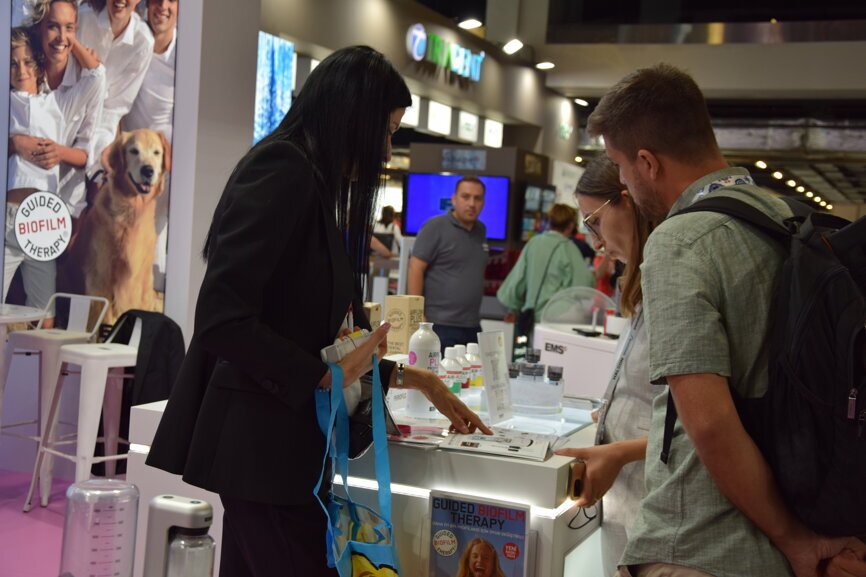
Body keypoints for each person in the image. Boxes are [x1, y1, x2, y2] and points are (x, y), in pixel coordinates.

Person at [144, 46, 492, 577]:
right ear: (353, 117)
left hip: (276, 457)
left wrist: (415, 379)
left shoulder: (308, 180)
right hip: (262, 453)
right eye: (387, 130)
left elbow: (316, 336)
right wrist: (321, 377)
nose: (386, 151)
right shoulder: (284, 169)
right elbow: (222, 317)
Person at [587, 63, 866, 577]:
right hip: (776, 534)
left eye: (620, 166)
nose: (623, 180)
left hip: (698, 543)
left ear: (647, 162)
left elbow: (710, 423)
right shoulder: (783, 219)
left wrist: (798, 541)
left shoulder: (679, 240)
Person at [554, 157, 655, 577]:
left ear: (626, 200)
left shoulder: (676, 282)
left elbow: (702, 427)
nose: (594, 242)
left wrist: (620, 451)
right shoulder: (638, 279)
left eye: (594, 222)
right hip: (627, 507)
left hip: (658, 507)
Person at [5, 25, 103, 322]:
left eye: (27, 61)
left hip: (42, 223)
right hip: (6, 220)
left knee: (44, 316)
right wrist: (13, 143)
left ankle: (42, 368)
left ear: (38, 65)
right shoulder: (4, 103)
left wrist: (67, 40)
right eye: (12, 63)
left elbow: (97, 77)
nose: (20, 70)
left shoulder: (58, 103)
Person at [13, 0, 105, 220]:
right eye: (53, 26)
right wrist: (15, 143)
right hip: (19, 198)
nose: (61, 36)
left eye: (69, 28)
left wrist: (59, 152)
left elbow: (86, 152)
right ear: (39, 29)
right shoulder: (23, 74)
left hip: (67, 201)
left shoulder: (83, 85)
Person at [120, 0, 178, 291]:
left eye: (172, 0)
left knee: (157, 245)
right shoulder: (134, 39)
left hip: (164, 168)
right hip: (126, 166)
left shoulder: (186, 53)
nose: (163, 7)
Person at [76, 0, 153, 182]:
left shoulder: (143, 41)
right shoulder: (82, 18)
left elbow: (114, 108)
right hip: (65, 117)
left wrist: (101, 152)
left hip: (101, 129)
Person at [408, 176, 488, 350]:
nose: (472, 203)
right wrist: (418, 315)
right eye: (465, 197)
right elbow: (415, 267)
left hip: (472, 324)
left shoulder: (481, 230)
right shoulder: (435, 226)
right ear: (454, 199)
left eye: (478, 198)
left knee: (472, 377)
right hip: (439, 325)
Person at [496, 203, 593, 341]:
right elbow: (585, 285)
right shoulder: (569, 249)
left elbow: (517, 281)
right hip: (558, 319)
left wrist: (513, 309)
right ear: (571, 225)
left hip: (532, 317)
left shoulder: (533, 243)